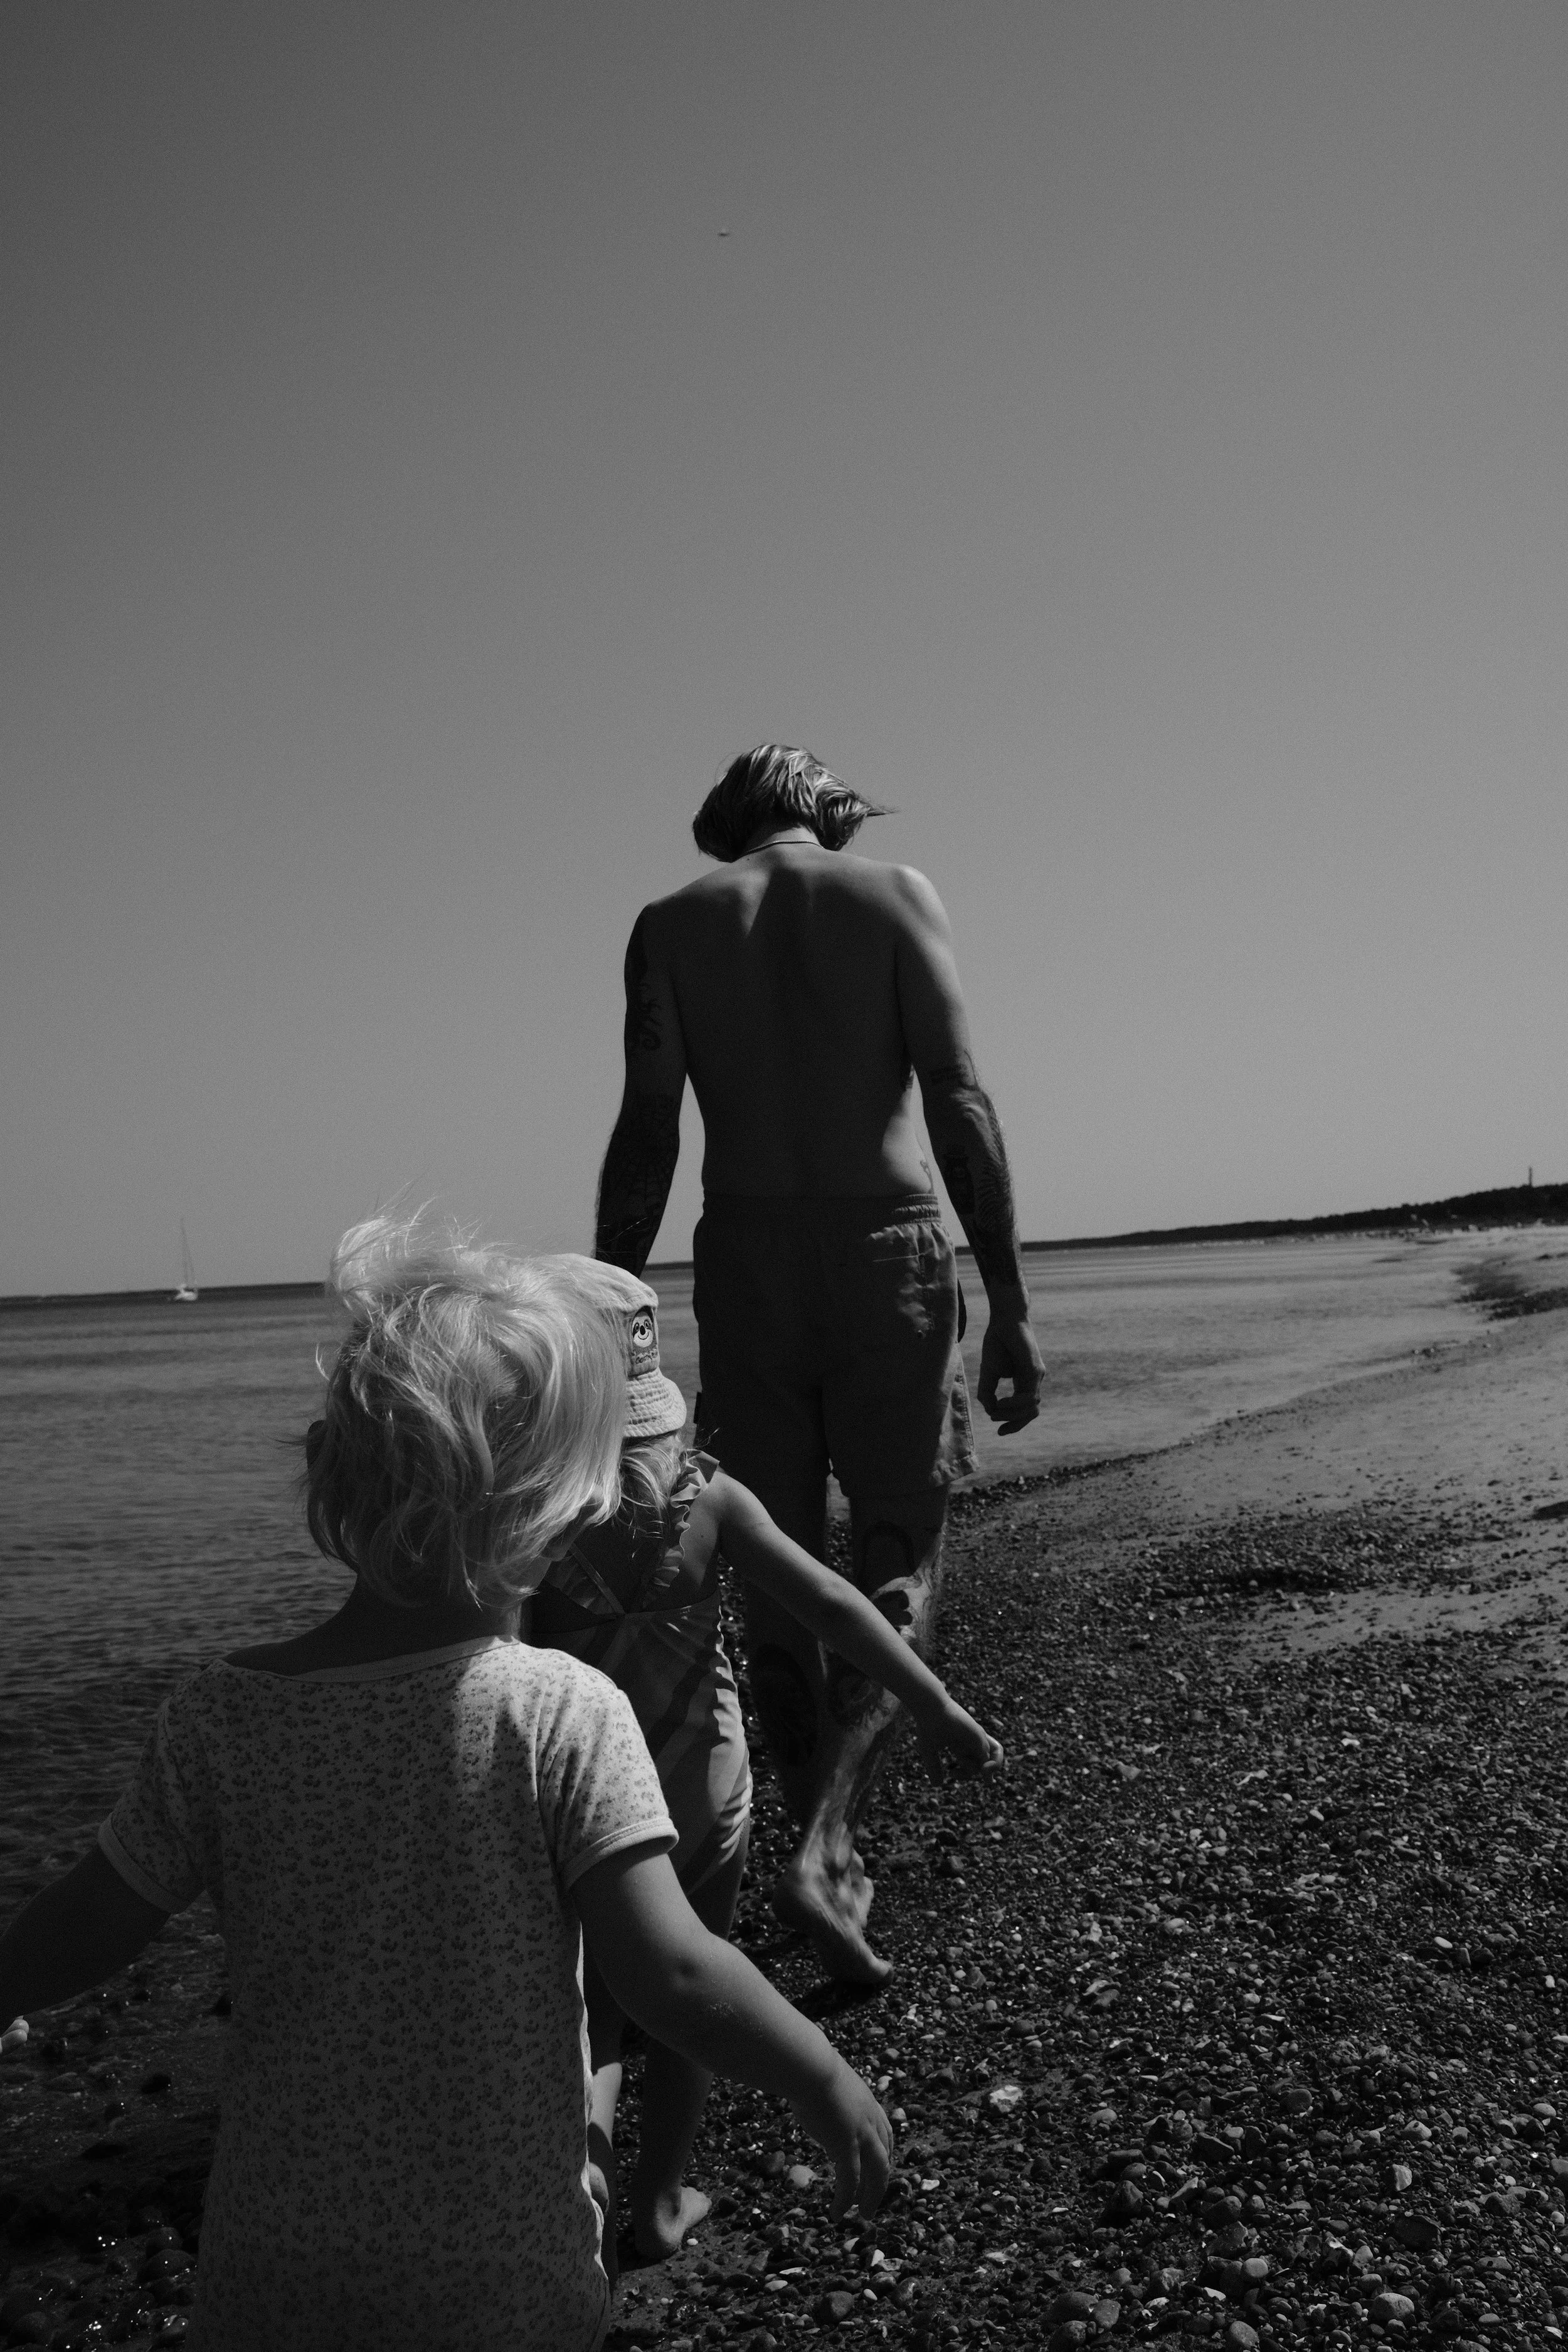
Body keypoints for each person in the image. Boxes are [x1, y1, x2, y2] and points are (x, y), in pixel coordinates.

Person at [0, 1216, 891, 2352]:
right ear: (563, 1506)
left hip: (275, 2265)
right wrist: (821, 2075)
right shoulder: (560, 1713)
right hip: (499, 2271)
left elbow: (90, 1918)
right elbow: (669, 1972)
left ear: (336, 1477)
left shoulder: (220, 1715)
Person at [593, 743, 1045, 1986]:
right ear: (823, 811)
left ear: (728, 823)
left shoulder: (668, 926)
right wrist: (1005, 1299)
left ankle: (811, 1846)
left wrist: (604, 1304)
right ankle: (831, 1840)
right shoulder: (894, 896)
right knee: (899, 1543)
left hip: (742, 1256)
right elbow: (956, 1099)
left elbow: (647, 1131)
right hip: (883, 1249)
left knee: (776, 1556)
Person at [528, 1261, 1003, 2260]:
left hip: (584, 1799)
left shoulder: (530, 1524)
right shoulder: (708, 1497)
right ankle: (658, 2207)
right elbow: (834, 1601)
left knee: (601, 2017)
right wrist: (937, 1705)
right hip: (705, 1789)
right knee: (696, 2000)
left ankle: (577, 2203)